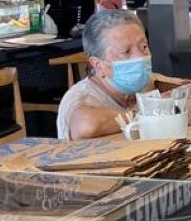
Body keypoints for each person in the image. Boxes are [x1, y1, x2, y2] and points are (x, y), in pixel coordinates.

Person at [56, 9, 152, 140]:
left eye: (144, 47)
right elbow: (86, 125)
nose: (140, 57)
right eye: (126, 52)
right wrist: (143, 113)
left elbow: (179, 86)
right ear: (98, 65)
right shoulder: (82, 97)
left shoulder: (144, 82)